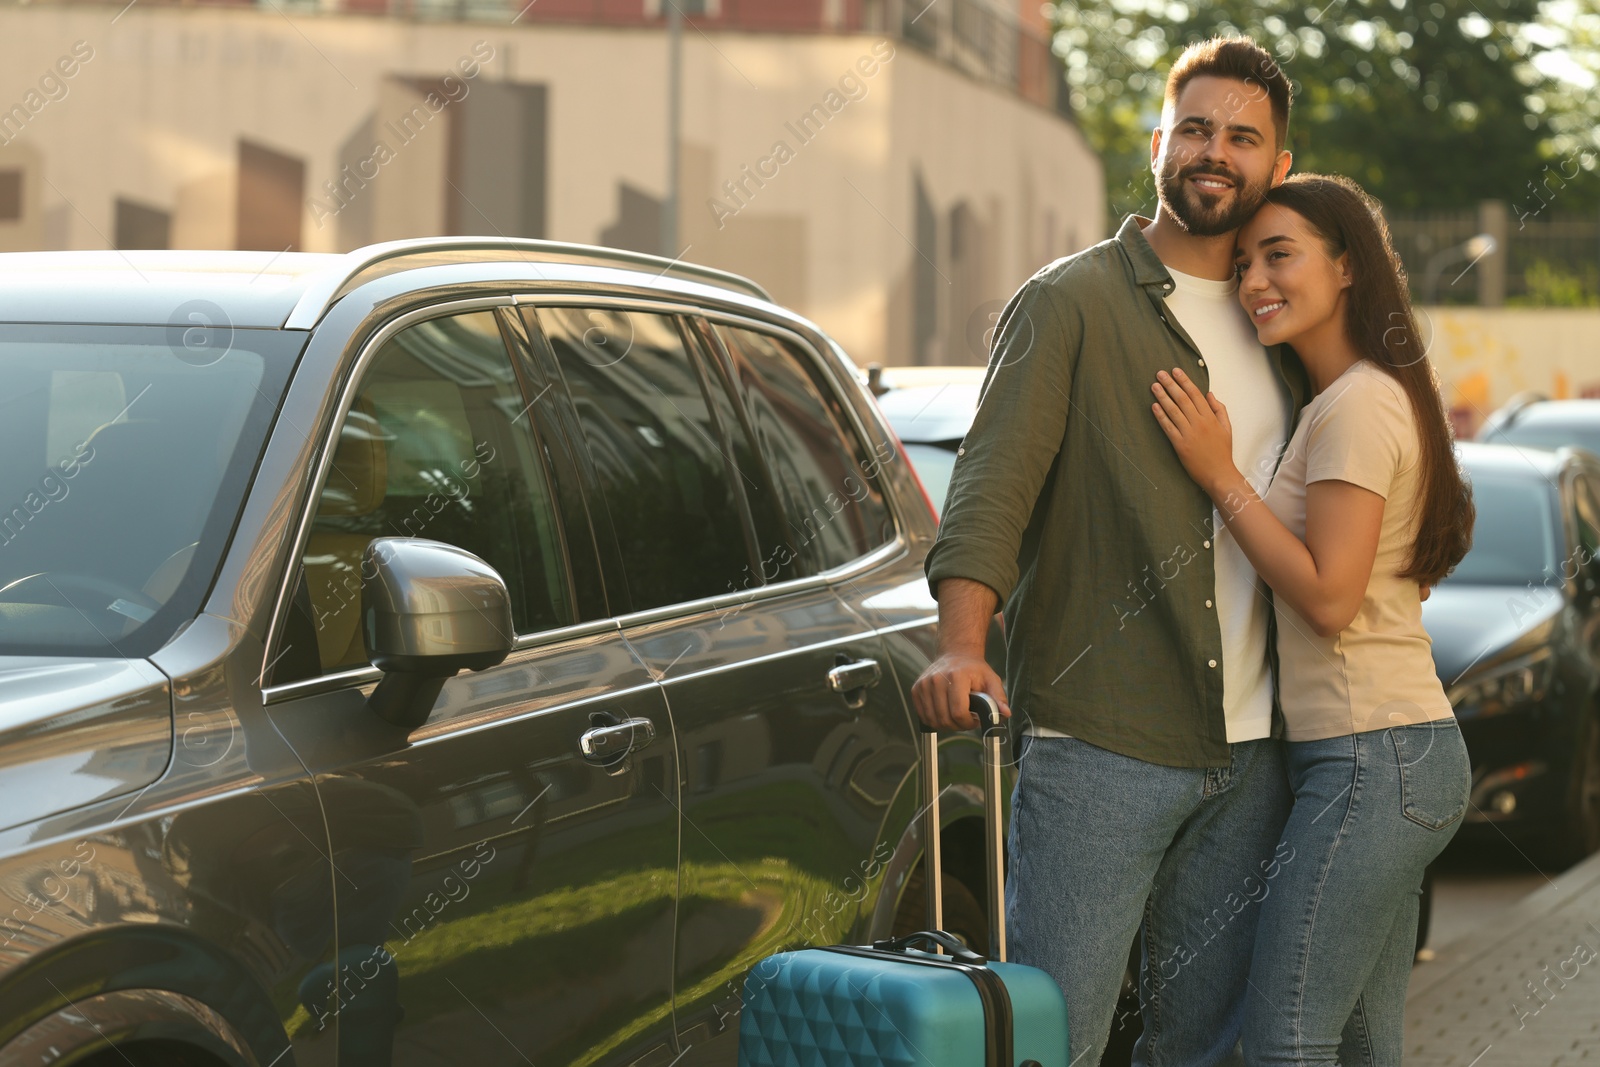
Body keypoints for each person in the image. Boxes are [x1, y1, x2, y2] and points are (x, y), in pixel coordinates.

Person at [913, 36, 1308, 1066]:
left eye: (1241, 137)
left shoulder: (1285, 319)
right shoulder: (1071, 301)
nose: (1213, 151)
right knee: (1056, 1035)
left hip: (1256, 749)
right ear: (1157, 143)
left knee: (1207, 1042)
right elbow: (990, 489)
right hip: (1103, 742)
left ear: (1277, 166)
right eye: (1195, 129)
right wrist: (961, 642)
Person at [1149, 173, 1474, 1066]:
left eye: (1280, 255)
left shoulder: (1359, 404)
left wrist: (1220, 474)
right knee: (1365, 1045)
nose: (1256, 280)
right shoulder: (1347, 398)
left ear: (1347, 268)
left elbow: (1330, 598)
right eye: (1245, 261)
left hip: (1375, 760)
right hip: (1391, 755)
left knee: (1286, 1035)